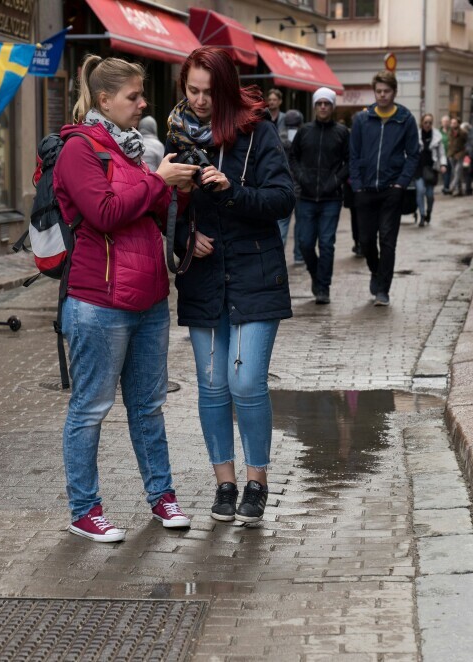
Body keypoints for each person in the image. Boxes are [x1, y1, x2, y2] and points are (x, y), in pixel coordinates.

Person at [53, 54, 200, 543]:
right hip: (98, 301)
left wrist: (177, 188)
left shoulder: (132, 149)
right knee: (90, 409)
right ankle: (84, 509)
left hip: (150, 297)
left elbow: (152, 209)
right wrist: (158, 181)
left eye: (142, 95)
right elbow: (104, 212)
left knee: (148, 407)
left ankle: (163, 498)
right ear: (104, 100)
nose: (143, 103)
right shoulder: (79, 150)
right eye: (133, 96)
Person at [167, 47, 295, 524]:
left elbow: (283, 198)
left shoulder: (256, 132)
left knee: (246, 381)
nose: (200, 100)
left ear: (225, 88)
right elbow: (167, 208)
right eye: (192, 90)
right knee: (213, 385)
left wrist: (233, 191)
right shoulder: (176, 139)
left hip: (254, 274)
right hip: (204, 279)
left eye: (209, 91)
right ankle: (225, 482)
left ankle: (256, 482)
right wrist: (185, 236)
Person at [349, 71, 419, 308]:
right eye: (378, 91)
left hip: (391, 190)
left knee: (388, 240)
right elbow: (354, 154)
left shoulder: (405, 119)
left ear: (394, 92)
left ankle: (383, 289)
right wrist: (356, 185)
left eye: (386, 91)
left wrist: (401, 183)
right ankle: (375, 271)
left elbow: (413, 155)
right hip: (365, 190)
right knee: (366, 240)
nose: (382, 95)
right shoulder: (362, 119)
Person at [290, 87, 349, 304]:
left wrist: (336, 180)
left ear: (332, 107)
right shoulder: (304, 131)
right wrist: (301, 177)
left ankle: (324, 287)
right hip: (305, 197)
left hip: (331, 198)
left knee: (326, 243)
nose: (323, 107)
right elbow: (292, 157)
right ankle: (316, 275)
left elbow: (350, 161)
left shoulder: (342, 132)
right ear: (315, 106)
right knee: (305, 242)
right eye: (319, 103)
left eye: (327, 103)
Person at [279, 109, 304, 264]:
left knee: (282, 224)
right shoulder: (304, 136)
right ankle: (299, 256)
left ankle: (279, 255)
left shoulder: (277, 137)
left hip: (284, 186)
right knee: (300, 224)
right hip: (300, 187)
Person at [415, 113, 447, 227]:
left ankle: (429, 212)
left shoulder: (437, 136)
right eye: (425, 122)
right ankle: (422, 215)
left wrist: (443, 165)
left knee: (429, 195)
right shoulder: (416, 135)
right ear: (422, 123)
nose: (428, 125)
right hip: (418, 168)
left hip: (431, 169)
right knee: (420, 191)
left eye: (430, 122)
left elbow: (442, 153)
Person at [447, 117, 469, 196]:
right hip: (451, 155)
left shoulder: (463, 132)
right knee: (456, 172)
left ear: (458, 124)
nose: (452, 124)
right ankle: (459, 190)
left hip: (460, 155)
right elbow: (449, 143)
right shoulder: (450, 132)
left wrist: (462, 153)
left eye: (454, 123)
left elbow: (467, 144)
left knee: (457, 171)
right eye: (451, 123)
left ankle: (452, 187)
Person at [439, 115, 453, 194]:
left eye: (447, 122)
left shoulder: (452, 131)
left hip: (450, 154)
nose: (445, 123)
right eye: (444, 121)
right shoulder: (439, 132)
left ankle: (446, 187)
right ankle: (446, 187)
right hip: (442, 155)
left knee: (449, 171)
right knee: (445, 171)